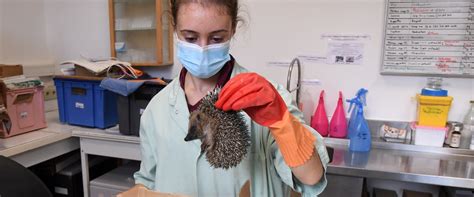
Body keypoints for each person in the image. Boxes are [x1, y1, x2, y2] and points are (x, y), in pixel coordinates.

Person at [120, 0, 329, 196]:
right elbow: (148, 181)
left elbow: (311, 177)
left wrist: (282, 122)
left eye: (216, 38)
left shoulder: (268, 99)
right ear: (175, 28)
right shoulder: (156, 109)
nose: (202, 49)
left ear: (233, 30)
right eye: (191, 38)